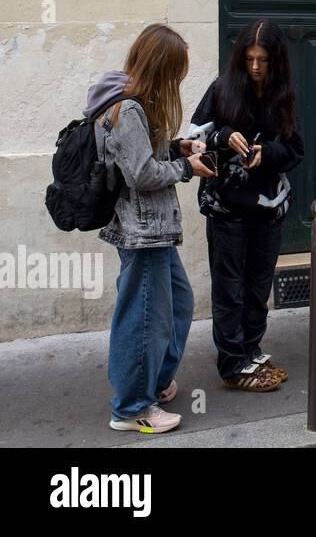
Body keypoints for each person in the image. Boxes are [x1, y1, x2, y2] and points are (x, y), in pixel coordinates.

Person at [94, 24, 215, 433]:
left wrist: (176, 147)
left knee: (177, 304)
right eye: (176, 72)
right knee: (142, 318)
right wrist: (186, 167)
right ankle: (131, 409)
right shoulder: (127, 109)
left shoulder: (135, 106)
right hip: (141, 231)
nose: (178, 81)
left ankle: (156, 382)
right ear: (161, 68)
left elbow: (143, 155)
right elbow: (140, 173)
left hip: (154, 229)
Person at [190, 19, 303, 391]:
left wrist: (266, 152)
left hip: (268, 207)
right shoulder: (221, 90)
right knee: (229, 286)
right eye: (250, 58)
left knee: (258, 286)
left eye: (263, 60)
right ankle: (232, 363)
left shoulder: (282, 94)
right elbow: (193, 141)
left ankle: (251, 349)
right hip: (226, 206)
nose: (255, 67)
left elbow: (295, 151)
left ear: (276, 61)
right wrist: (224, 135)